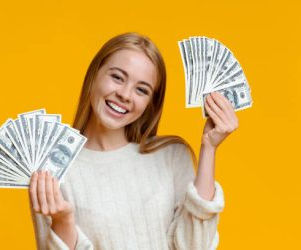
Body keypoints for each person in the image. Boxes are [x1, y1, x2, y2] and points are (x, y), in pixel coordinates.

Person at [29, 32, 238, 250]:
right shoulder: (53, 172)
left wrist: (209, 148)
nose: (125, 95)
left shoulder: (172, 156)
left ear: (150, 103)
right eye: (117, 77)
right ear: (94, 75)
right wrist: (64, 221)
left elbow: (198, 246)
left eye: (141, 90)